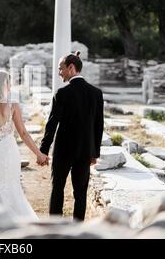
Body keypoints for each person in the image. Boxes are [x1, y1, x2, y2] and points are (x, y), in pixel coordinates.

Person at [0, 69, 49, 225]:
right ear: (5, 85)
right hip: (8, 153)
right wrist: (39, 154)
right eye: (9, 82)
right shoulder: (12, 105)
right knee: (12, 190)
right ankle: (15, 227)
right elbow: (24, 133)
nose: (10, 85)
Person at [39, 51, 104, 221]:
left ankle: (54, 227)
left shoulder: (62, 93)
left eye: (61, 68)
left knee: (58, 188)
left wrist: (43, 151)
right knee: (80, 193)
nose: (59, 72)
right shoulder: (96, 93)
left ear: (71, 67)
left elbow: (52, 124)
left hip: (63, 151)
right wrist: (95, 152)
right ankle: (78, 230)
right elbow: (99, 126)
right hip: (85, 151)